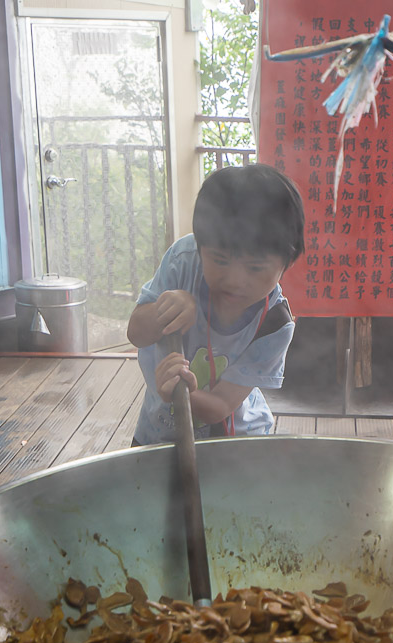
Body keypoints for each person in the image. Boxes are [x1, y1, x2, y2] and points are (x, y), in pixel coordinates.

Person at [128, 165, 304, 445]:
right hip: (157, 433)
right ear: (200, 246)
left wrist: (177, 392)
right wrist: (164, 309)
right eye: (220, 260)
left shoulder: (274, 324)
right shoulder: (183, 263)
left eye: (256, 267)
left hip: (237, 442)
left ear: (287, 264)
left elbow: (221, 405)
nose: (234, 280)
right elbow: (136, 332)